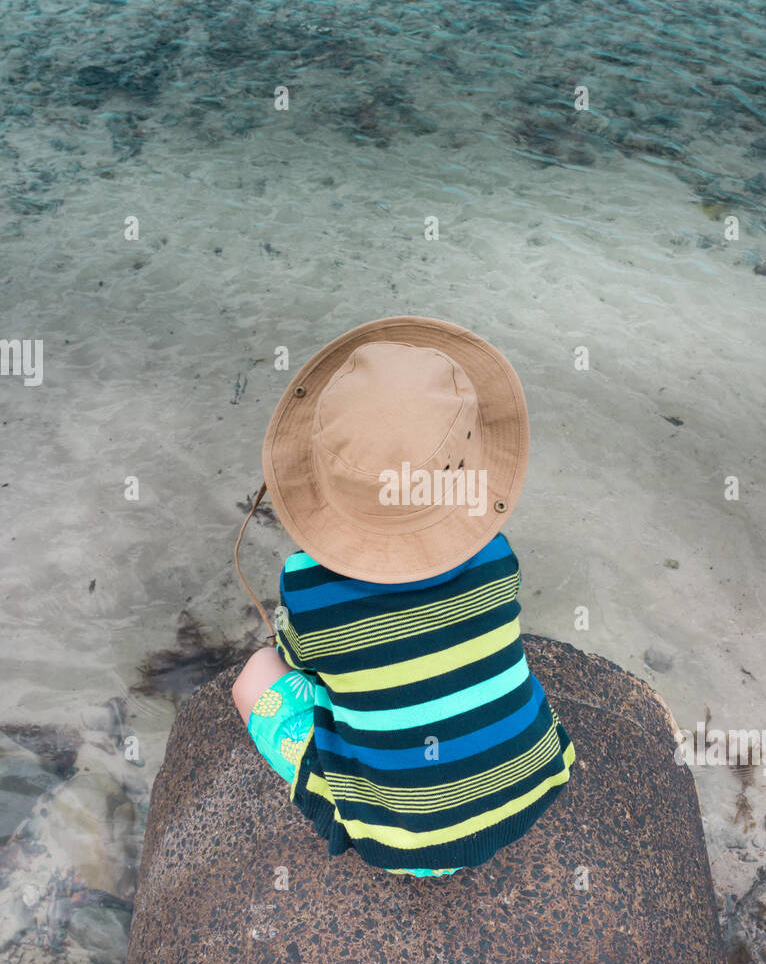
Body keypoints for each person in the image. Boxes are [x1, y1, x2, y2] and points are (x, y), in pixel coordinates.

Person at [231, 315, 574, 877]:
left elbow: (299, 664)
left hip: (398, 843)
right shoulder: (496, 553)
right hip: (532, 788)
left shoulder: (309, 587)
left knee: (256, 674)